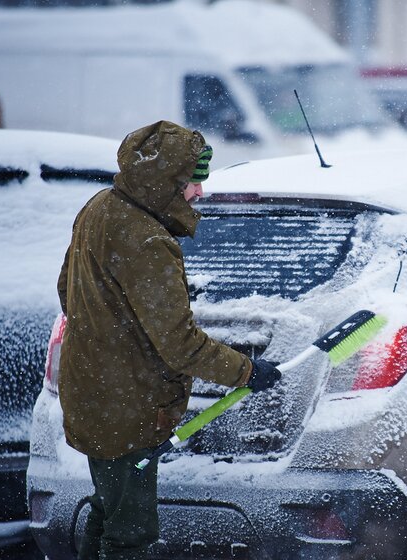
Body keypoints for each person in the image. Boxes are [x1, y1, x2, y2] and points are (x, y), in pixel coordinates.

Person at [57, 120, 281, 560]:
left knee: (109, 511)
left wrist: (110, 337)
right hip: (126, 409)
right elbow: (180, 345)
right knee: (131, 536)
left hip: (92, 395)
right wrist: (247, 371)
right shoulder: (149, 241)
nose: (199, 193)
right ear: (165, 183)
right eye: (192, 183)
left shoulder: (99, 207)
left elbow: (67, 288)